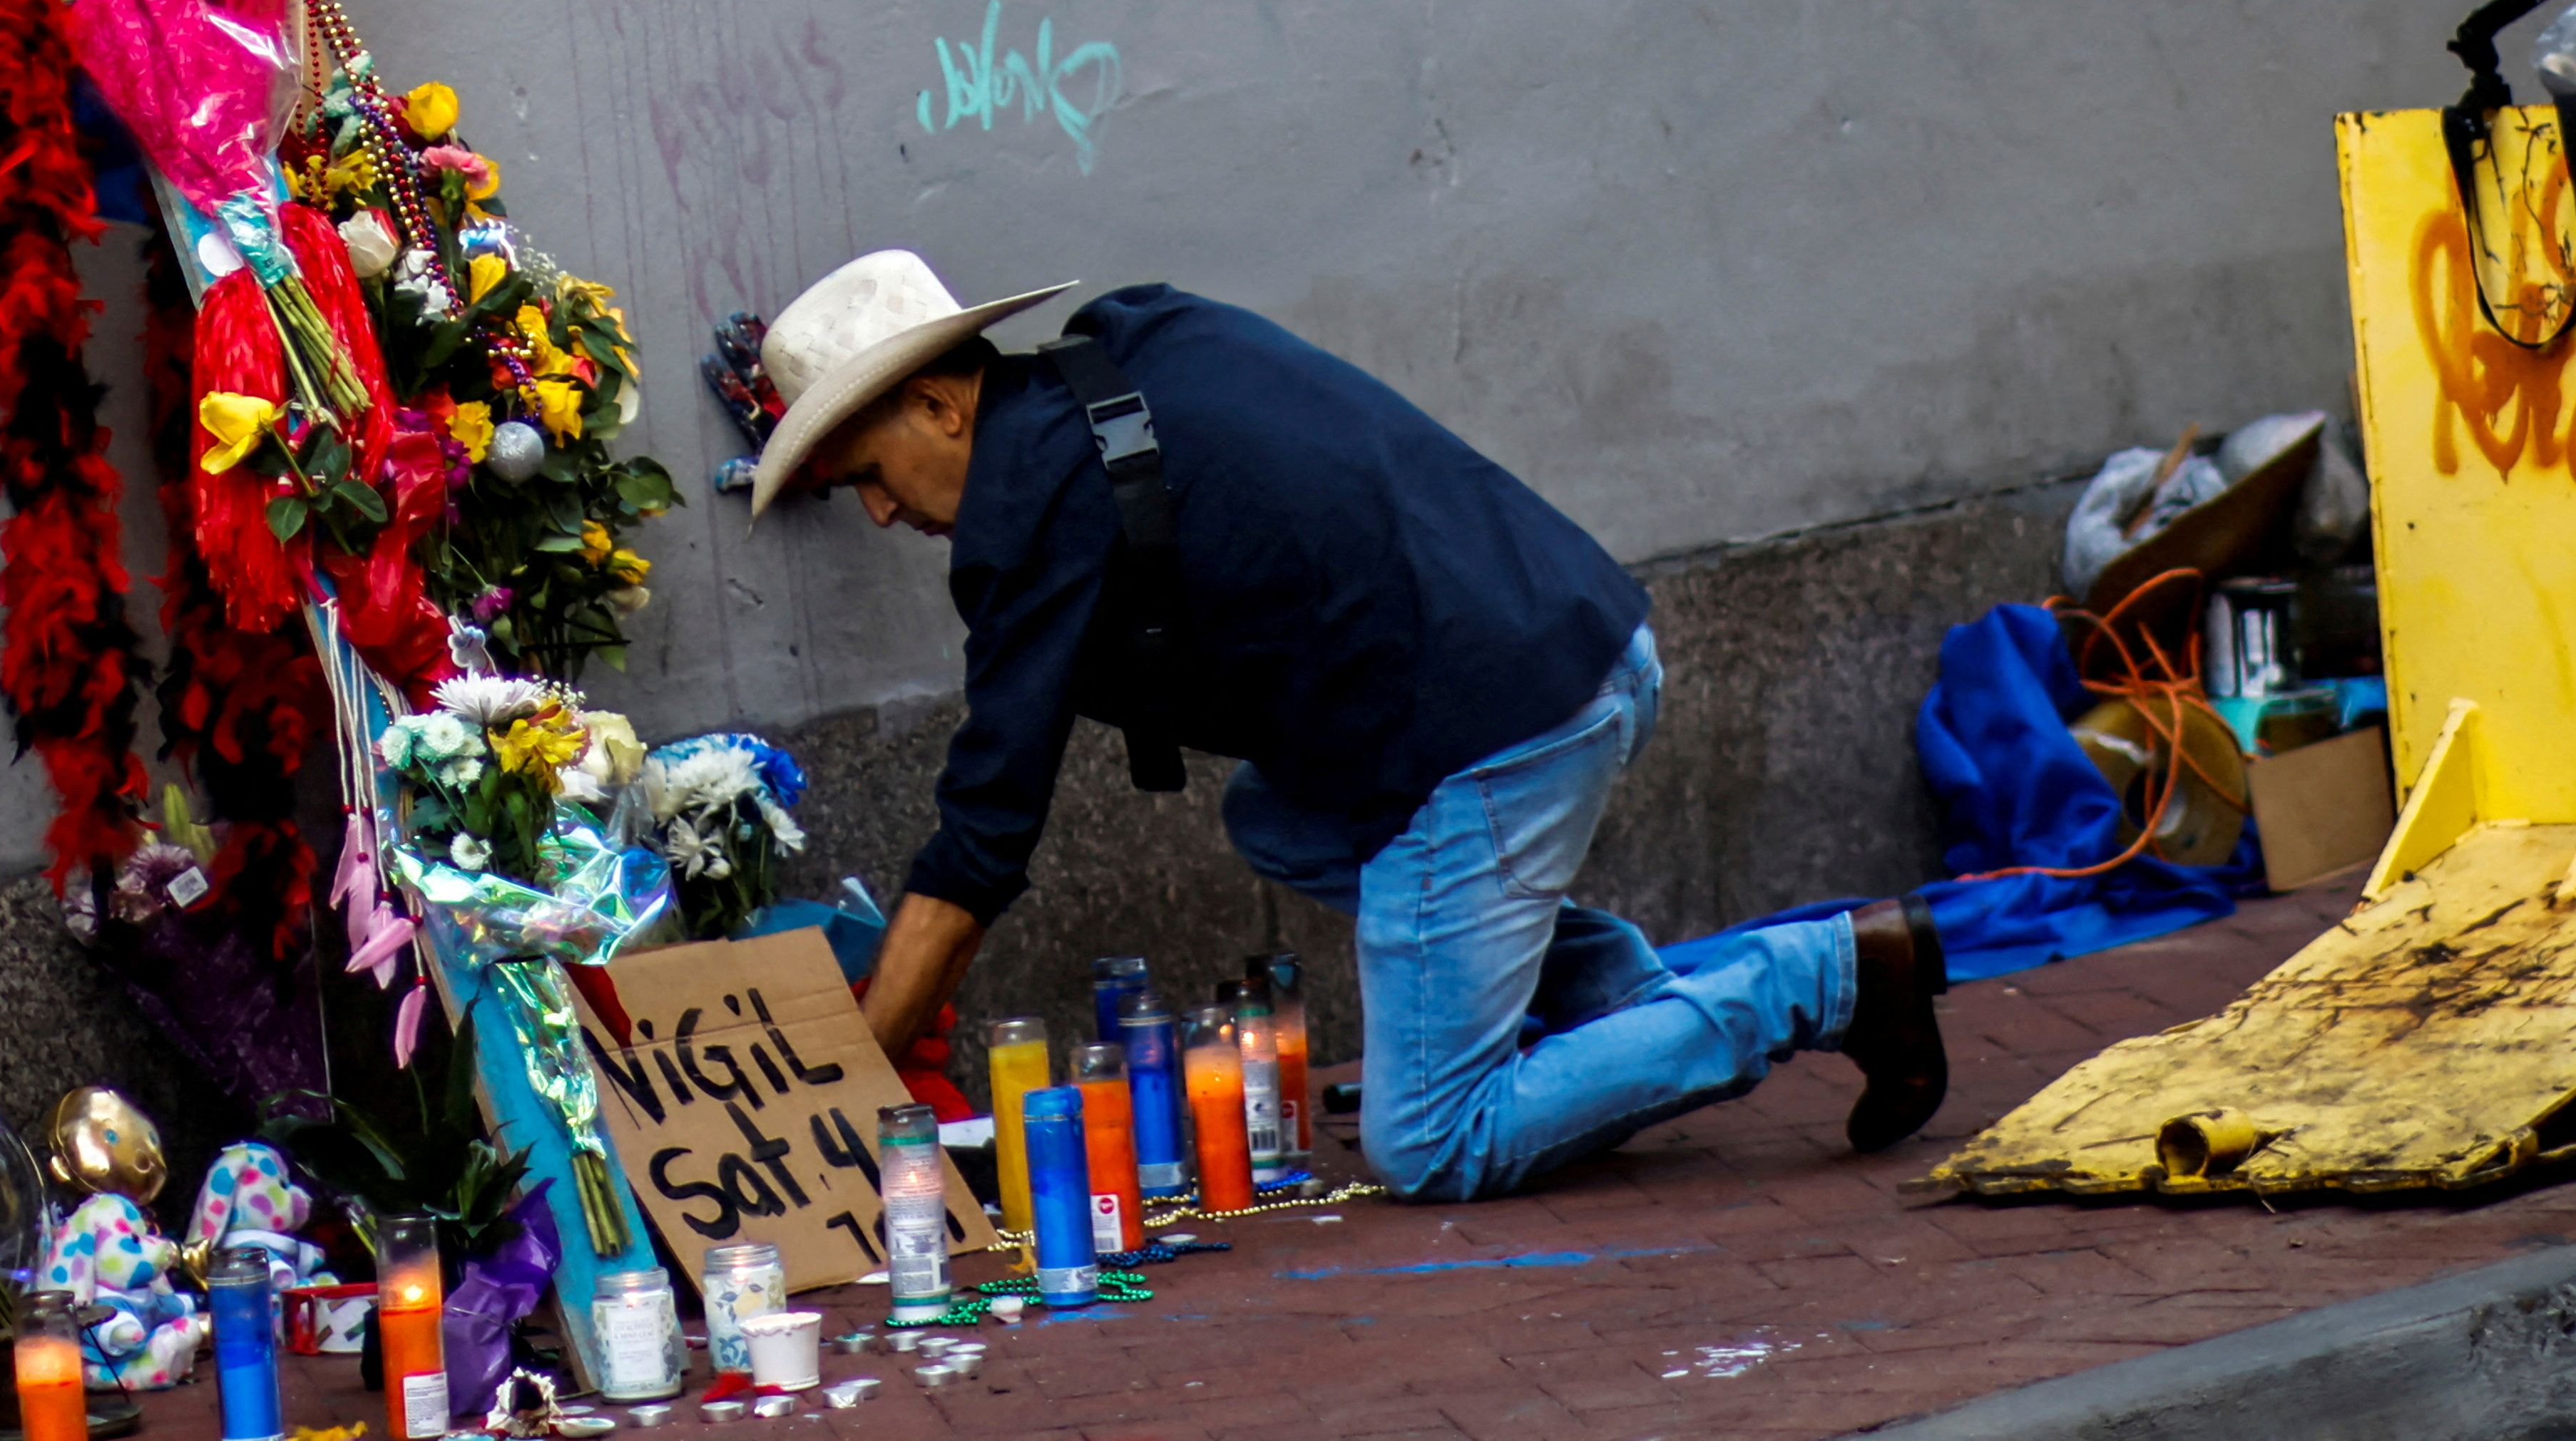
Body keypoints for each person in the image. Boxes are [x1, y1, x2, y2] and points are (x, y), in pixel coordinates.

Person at [745, 250, 1946, 1203]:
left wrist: (844, 1086)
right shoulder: (1135, 341)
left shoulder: (1035, 509)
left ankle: (1820, 980)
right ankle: (1621, 1009)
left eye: (866, 473)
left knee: (1435, 1141)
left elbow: (982, 838)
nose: (884, 512)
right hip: (1574, 640)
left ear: (943, 404)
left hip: (1507, 728)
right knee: (1280, 818)